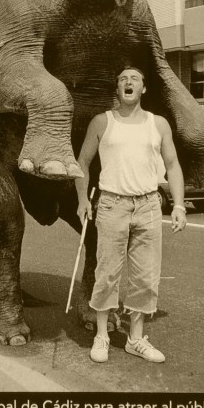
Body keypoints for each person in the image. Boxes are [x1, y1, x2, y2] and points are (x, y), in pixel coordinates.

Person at [75, 65, 186, 364]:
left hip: (149, 206)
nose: (128, 82)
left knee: (146, 277)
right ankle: (101, 335)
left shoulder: (158, 124)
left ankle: (135, 340)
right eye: (122, 78)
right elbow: (82, 163)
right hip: (112, 205)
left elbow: (173, 165)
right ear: (117, 88)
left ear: (143, 88)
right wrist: (82, 200)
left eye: (134, 78)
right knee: (107, 273)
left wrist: (178, 205)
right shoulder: (102, 122)